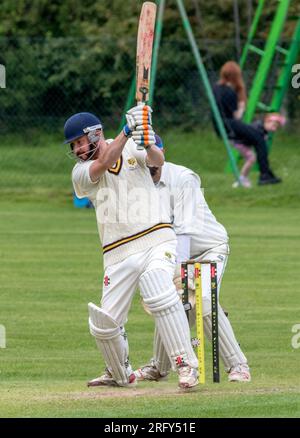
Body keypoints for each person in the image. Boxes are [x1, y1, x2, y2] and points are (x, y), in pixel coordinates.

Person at [63, 106, 199, 390]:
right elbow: (103, 165)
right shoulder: (80, 172)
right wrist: (127, 131)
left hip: (156, 236)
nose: (77, 149)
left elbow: (158, 160)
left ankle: (186, 365)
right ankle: (118, 373)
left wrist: (147, 138)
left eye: (79, 142)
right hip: (117, 252)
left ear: (95, 134)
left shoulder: (130, 144)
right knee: (104, 322)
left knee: (158, 290)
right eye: (73, 145)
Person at [135, 138, 251, 383]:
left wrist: (177, 274)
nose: (148, 171)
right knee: (168, 300)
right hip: (174, 251)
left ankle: (238, 365)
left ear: (160, 154)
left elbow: (184, 231)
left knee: (202, 297)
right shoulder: (139, 185)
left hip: (210, 248)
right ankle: (159, 366)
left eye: (152, 163)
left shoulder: (184, 178)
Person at [212, 61, 282, 186]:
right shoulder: (230, 92)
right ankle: (264, 175)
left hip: (219, 125)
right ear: (236, 76)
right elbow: (236, 116)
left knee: (255, 136)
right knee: (260, 139)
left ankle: (266, 173)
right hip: (230, 124)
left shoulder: (215, 88)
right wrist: (242, 107)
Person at [232, 112, 286, 188]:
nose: (274, 129)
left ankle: (243, 178)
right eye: (273, 126)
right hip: (240, 142)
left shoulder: (263, 129)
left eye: (277, 128)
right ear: (267, 121)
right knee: (251, 158)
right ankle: (241, 179)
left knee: (251, 159)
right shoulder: (258, 127)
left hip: (244, 143)